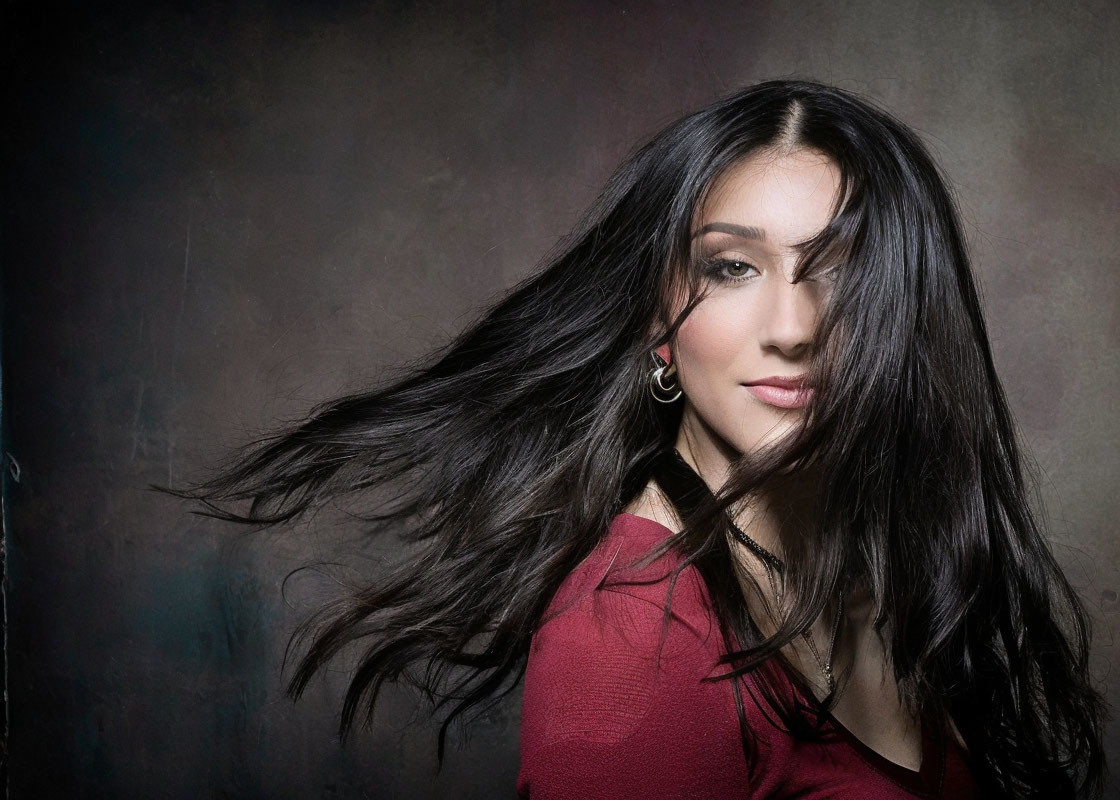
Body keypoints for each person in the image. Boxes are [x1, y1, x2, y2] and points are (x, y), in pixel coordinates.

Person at [161, 80, 1107, 798]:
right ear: (660, 324)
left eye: (842, 274)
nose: (792, 325)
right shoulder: (632, 646)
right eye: (733, 267)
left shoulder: (888, 570)